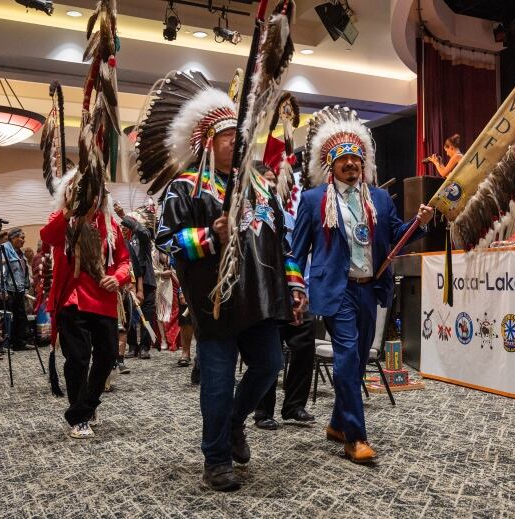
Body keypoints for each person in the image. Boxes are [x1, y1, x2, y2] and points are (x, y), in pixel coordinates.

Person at [138, 71, 300, 491]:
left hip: (261, 300)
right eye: (228, 137)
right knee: (216, 381)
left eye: (239, 137)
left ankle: (233, 423)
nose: (236, 143)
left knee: (269, 366)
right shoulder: (186, 188)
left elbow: (282, 241)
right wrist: (210, 237)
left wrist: (295, 285)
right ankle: (216, 459)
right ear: (209, 142)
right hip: (216, 303)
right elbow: (166, 243)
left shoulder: (261, 187)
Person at [292, 106, 434, 463]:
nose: (351, 165)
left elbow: (398, 237)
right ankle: (355, 438)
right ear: (331, 166)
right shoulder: (313, 201)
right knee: (346, 358)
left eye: (356, 159)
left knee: (355, 363)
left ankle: (338, 422)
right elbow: (295, 253)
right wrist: (295, 287)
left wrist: (420, 222)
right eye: (344, 161)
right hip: (336, 290)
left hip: (370, 288)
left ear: (363, 163)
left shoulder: (381, 200)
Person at [40, 202, 131, 439]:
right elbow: (47, 236)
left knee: (108, 355)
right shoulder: (63, 218)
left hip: (103, 300)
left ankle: (88, 406)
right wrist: (68, 211)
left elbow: (124, 260)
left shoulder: (110, 224)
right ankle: (79, 417)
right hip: (72, 300)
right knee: (78, 358)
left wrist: (118, 277)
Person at [253, 165, 316, 430]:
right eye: (264, 181)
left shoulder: (286, 216)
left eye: (271, 181)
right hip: (263, 296)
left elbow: (290, 252)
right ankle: (263, 412)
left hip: (289, 291)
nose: (269, 186)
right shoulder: (251, 213)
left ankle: (294, 405)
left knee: (304, 342)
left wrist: (299, 288)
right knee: (270, 353)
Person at [114, 203, 156, 359]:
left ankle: (145, 347)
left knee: (147, 315)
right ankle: (132, 346)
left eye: (127, 224)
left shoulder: (142, 237)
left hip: (146, 281)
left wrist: (123, 215)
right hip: (129, 283)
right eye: (122, 225)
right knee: (129, 313)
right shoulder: (124, 242)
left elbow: (144, 232)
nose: (123, 227)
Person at [0, 227, 31, 351]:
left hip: (19, 289)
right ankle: (5, 344)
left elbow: (24, 272)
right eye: (21, 238)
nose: (23, 241)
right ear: (13, 237)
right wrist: (2, 289)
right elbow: (1, 272)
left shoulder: (20, 252)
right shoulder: (4, 249)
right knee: (7, 317)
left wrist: (26, 288)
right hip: (9, 289)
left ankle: (20, 343)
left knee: (21, 317)